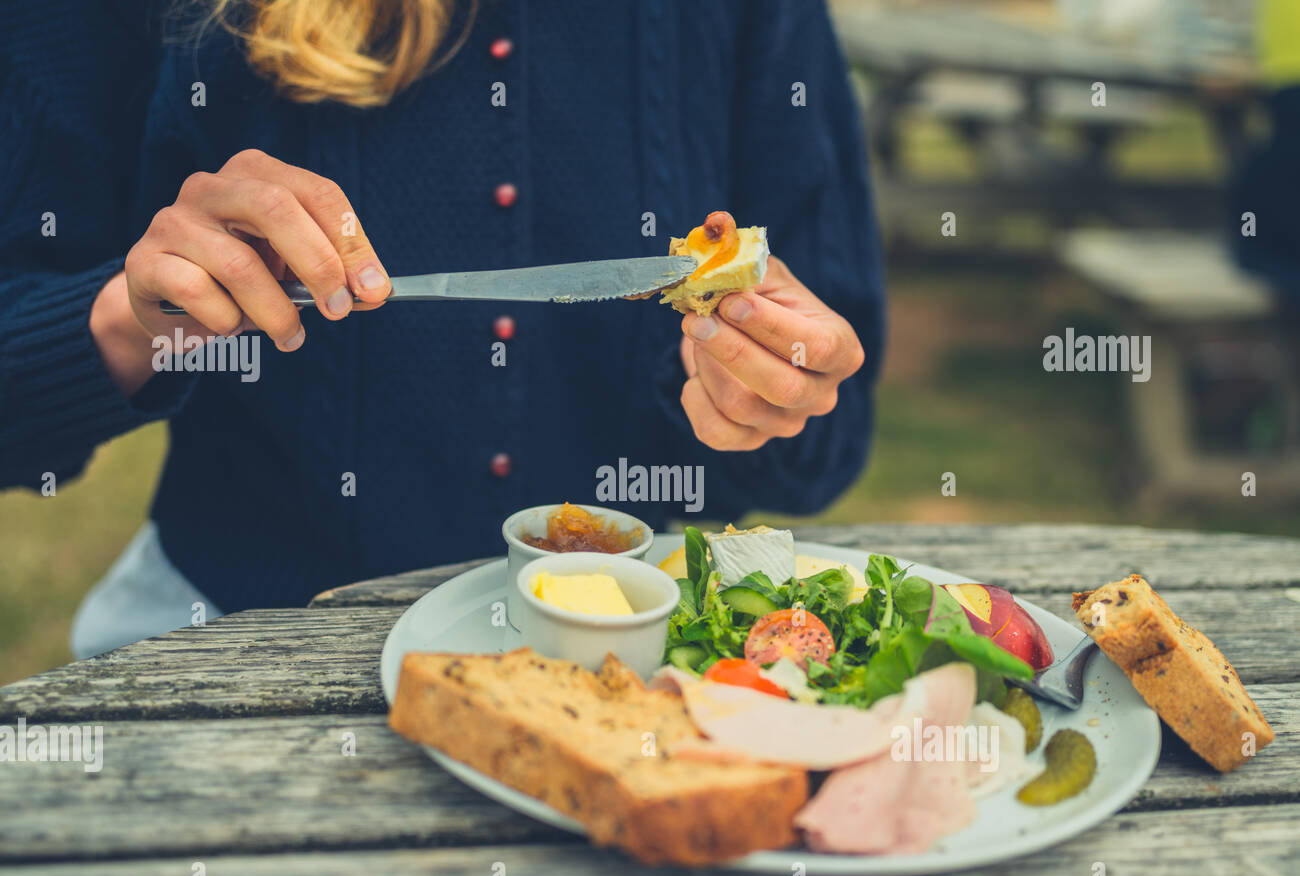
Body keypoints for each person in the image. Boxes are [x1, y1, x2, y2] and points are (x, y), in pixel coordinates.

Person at [1, 0, 885, 657]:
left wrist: (773, 385)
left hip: (648, 668)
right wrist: (132, 314)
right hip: (246, 649)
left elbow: (827, 443)